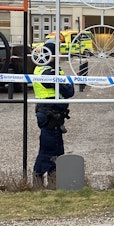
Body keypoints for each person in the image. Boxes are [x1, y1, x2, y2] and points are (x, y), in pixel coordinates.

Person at [32, 41, 74, 185]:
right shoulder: (47, 72)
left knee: (57, 151)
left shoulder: (48, 69)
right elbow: (68, 91)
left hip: (53, 114)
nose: (60, 55)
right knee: (47, 150)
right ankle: (37, 181)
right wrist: (69, 84)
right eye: (58, 52)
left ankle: (53, 182)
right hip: (50, 114)